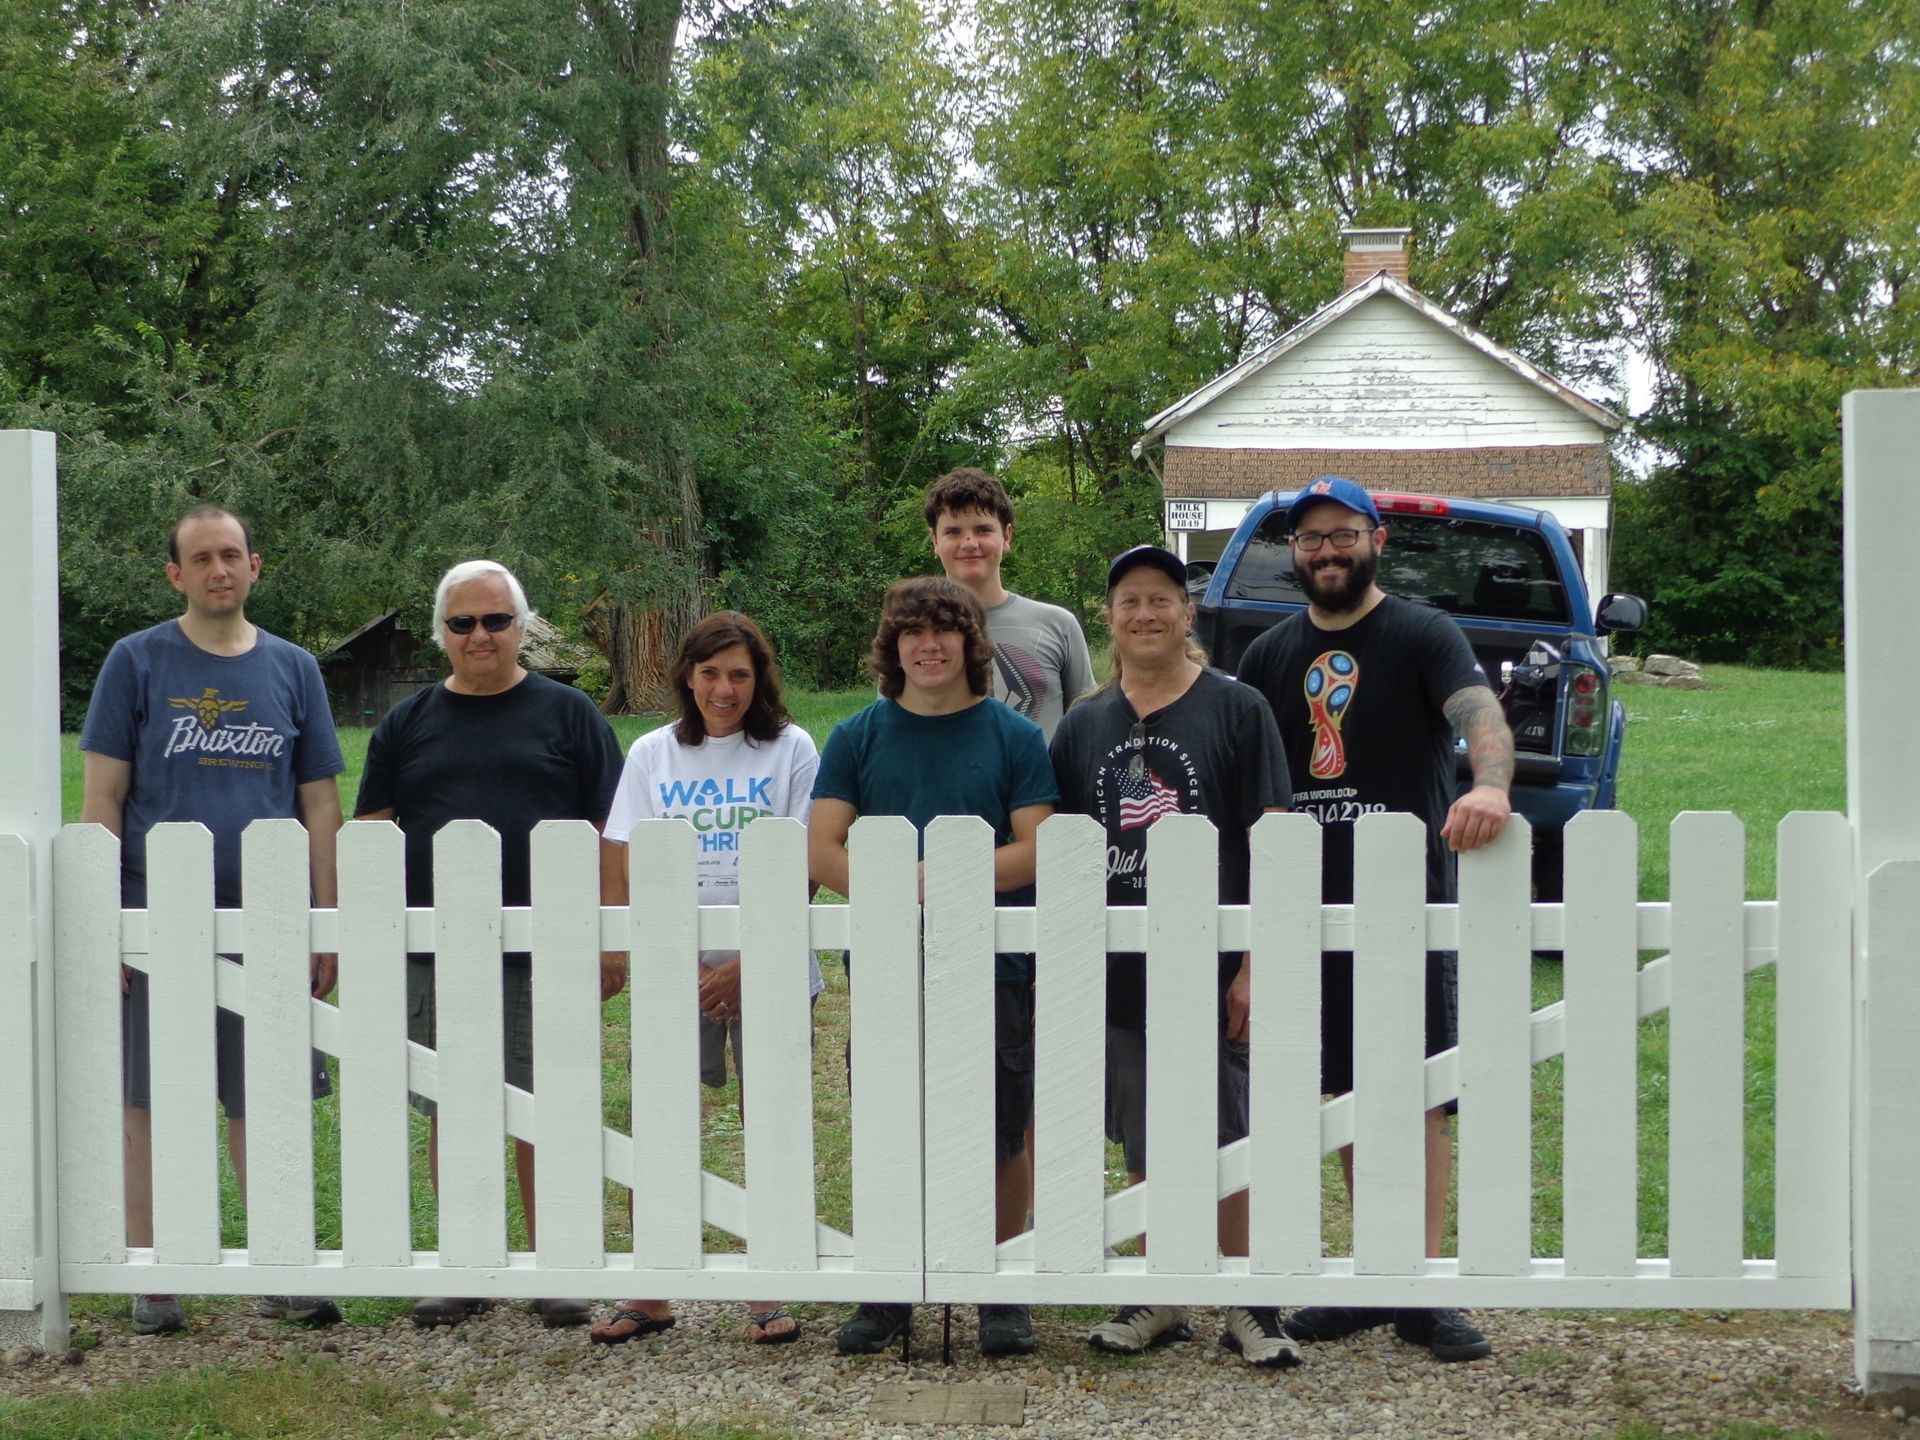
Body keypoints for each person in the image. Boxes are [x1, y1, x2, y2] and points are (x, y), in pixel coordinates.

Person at [1236, 476, 1514, 1364]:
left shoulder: (1424, 634)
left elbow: (1478, 713)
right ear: (1295, 551)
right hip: (1302, 910)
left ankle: (1420, 1290)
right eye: (1311, 538)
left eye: (1342, 534)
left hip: (1404, 905)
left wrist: (1490, 784)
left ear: (1376, 540)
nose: (1327, 551)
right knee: (1349, 1094)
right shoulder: (1268, 654)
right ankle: (1373, 1278)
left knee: (1416, 1092)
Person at [80, 505, 345, 1336]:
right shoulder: (136, 661)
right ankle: (156, 1274)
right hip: (156, 916)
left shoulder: (294, 668)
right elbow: (103, 796)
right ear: (176, 575)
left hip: (271, 919)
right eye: (200, 558)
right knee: (150, 1099)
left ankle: (280, 1267)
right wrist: (107, 917)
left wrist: (325, 917)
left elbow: (320, 801)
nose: (218, 569)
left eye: (231, 555)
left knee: (265, 1097)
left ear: (255, 566)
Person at [353, 559, 623, 1330]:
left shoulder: (570, 715)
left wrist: (611, 936)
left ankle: (555, 1267)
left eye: (497, 621)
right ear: (442, 632)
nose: (480, 635)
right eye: (463, 623)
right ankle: (465, 1265)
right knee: (455, 1108)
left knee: (547, 1106)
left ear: (523, 627)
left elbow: (614, 830)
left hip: (549, 949)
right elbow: (372, 832)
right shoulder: (406, 723)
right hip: (438, 951)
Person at [1049, 544, 1299, 1369]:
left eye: (1162, 598)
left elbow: (1272, 839)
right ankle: (1158, 1291)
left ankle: (1248, 1300)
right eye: (1130, 600)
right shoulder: (1084, 723)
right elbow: (1065, 852)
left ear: (1187, 614)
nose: (1146, 613)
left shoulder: (1237, 708)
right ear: (1109, 617)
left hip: (1216, 961)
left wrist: (1254, 964)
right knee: (1145, 1134)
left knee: (1229, 1134)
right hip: (1121, 966)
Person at [809, 577, 1057, 1359]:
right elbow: (821, 847)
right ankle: (888, 1287)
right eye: (911, 632)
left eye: (944, 630)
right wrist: (895, 887)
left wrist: (943, 876)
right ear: (893, 646)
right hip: (888, 966)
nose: (928, 645)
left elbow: (1036, 846)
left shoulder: (1014, 737)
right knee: (891, 1127)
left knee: (1002, 1130)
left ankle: (1000, 1289)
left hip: (996, 965)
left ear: (969, 643)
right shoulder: (856, 736)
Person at [589, 612, 822, 1347]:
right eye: (712, 673)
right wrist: (673, 957)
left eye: (740, 675)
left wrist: (751, 960)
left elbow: (807, 861)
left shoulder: (791, 748)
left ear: (760, 680)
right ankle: (651, 1292)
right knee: (661, 1123)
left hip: (771, 963)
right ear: (688, 677)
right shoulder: (653, 752)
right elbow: (622, 856)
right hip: (675, 965)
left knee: (771, 1123)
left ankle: (768, 1289)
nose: (725, 689)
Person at [924, 467, 1095, 743]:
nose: (969, 543)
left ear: (1006, 536)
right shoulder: (910, 633)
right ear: (935, 540)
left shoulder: (1058, 625)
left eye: (983, 530)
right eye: (953, 532)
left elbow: (1088, 729)